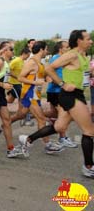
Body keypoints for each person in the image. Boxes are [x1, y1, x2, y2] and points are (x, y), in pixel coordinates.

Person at [19, 30, 94, 178]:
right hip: (70, 95)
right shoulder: (71, 54)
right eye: (88, 39)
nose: (91, 41)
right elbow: (49, 68)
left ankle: (27, 139)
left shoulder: (83, 55)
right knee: (89, 131)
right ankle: (89, 166)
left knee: (59, 127)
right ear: (78, 40)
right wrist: (62, 84)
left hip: (77, 94)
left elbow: (82, 72)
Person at [14, 41, 63, 154]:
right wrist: (35, 82)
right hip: (29, 94)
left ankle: (1, 127)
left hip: (36, 94)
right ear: (41, 49)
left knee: (21, 115)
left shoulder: (39, 62)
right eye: (46, 49)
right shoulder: (31, 62)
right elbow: (20, 78)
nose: (47, 51)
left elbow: (40, 76)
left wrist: (46, 79)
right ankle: (47, 145)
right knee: (41, 119)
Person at [44, 41, 77, 148]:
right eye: (67, 47)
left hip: (57, 91)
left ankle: (33, 114)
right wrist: (60, 83)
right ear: (60, 49)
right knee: (64, 114)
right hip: (55, 91)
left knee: (54, 113)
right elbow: (48, 72)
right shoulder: (56, 58)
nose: (69, 48)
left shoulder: (62, 58)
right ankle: (62, 138)